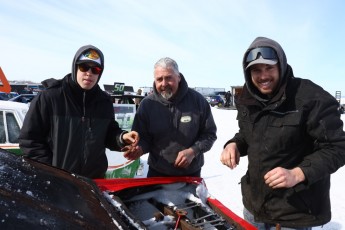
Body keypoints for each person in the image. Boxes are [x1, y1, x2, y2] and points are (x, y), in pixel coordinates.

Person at [220, 37, 345, 229]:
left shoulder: (311, 97)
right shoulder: (248, 97)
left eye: (269, 68)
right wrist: (233, 144)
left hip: (293, 212)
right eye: (256, 70)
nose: (263, 76)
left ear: (282, 65)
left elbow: (337, 147)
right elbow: (247, 134)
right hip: (254, 207)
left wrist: (298, 173)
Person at [19, 45, 140, 179]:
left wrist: (122, 138)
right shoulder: (50, 97)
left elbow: (108, 133)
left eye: (95, 69)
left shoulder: (104, 101)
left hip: (93, 182)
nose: (89, 73)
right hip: (57, 182)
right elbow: (30, 140)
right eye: (84, 67)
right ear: (75, 67)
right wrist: (50, 171)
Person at [132, 57, 217, 177]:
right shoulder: (147, 104)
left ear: (179, 77)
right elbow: (143, 138)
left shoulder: (198, 101)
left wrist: (193, 151)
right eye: (159, 79)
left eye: (168, 78)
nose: (164, 84)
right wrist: (138, 149)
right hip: (157, 173)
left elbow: (209, 134)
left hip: (191, 174)